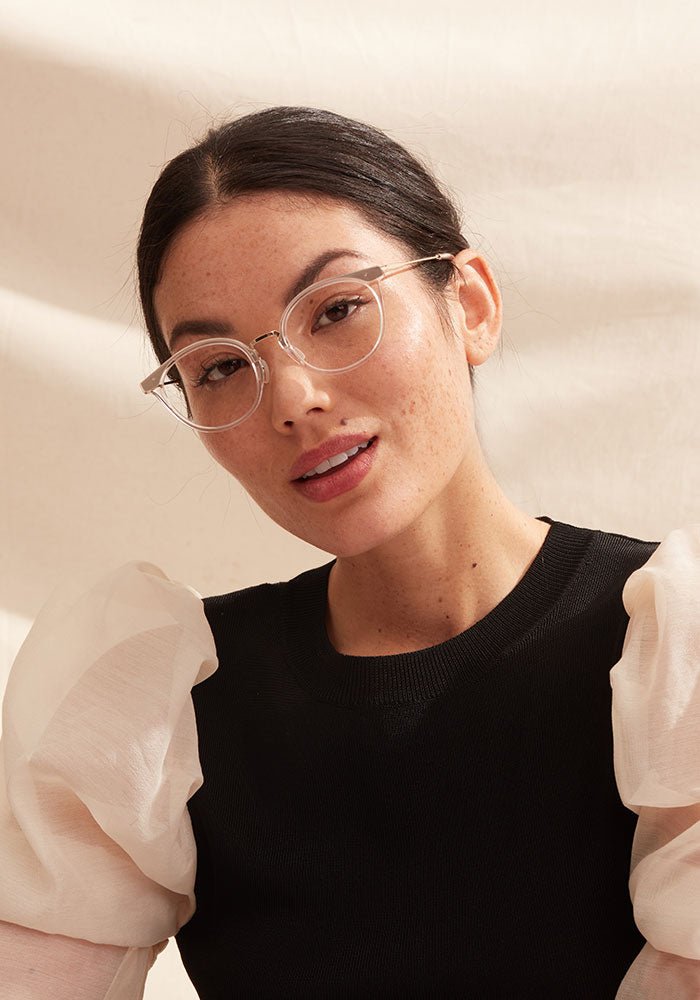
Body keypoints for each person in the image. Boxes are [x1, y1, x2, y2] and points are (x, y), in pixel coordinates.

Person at [1, 106, 698, 999]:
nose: (293, 399)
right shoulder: (160, 703)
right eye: (219, 366)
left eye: (336, 310)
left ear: (471, 305)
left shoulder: (673, 658)